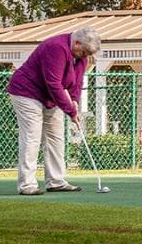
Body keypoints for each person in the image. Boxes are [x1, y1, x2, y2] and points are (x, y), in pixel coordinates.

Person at [7, 26, 101, 195]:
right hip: (27, 92)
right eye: (84, 52)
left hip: (49, 97)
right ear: (77, 42)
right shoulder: (56, 47)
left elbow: (77, 83)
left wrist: (74, 102)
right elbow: (54, 84)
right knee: (32, 136)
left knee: (56, 136)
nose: (85, 56)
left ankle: (56, 181)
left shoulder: (81, 56)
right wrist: (70, 111)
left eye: (88, 54)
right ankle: (27, 184)